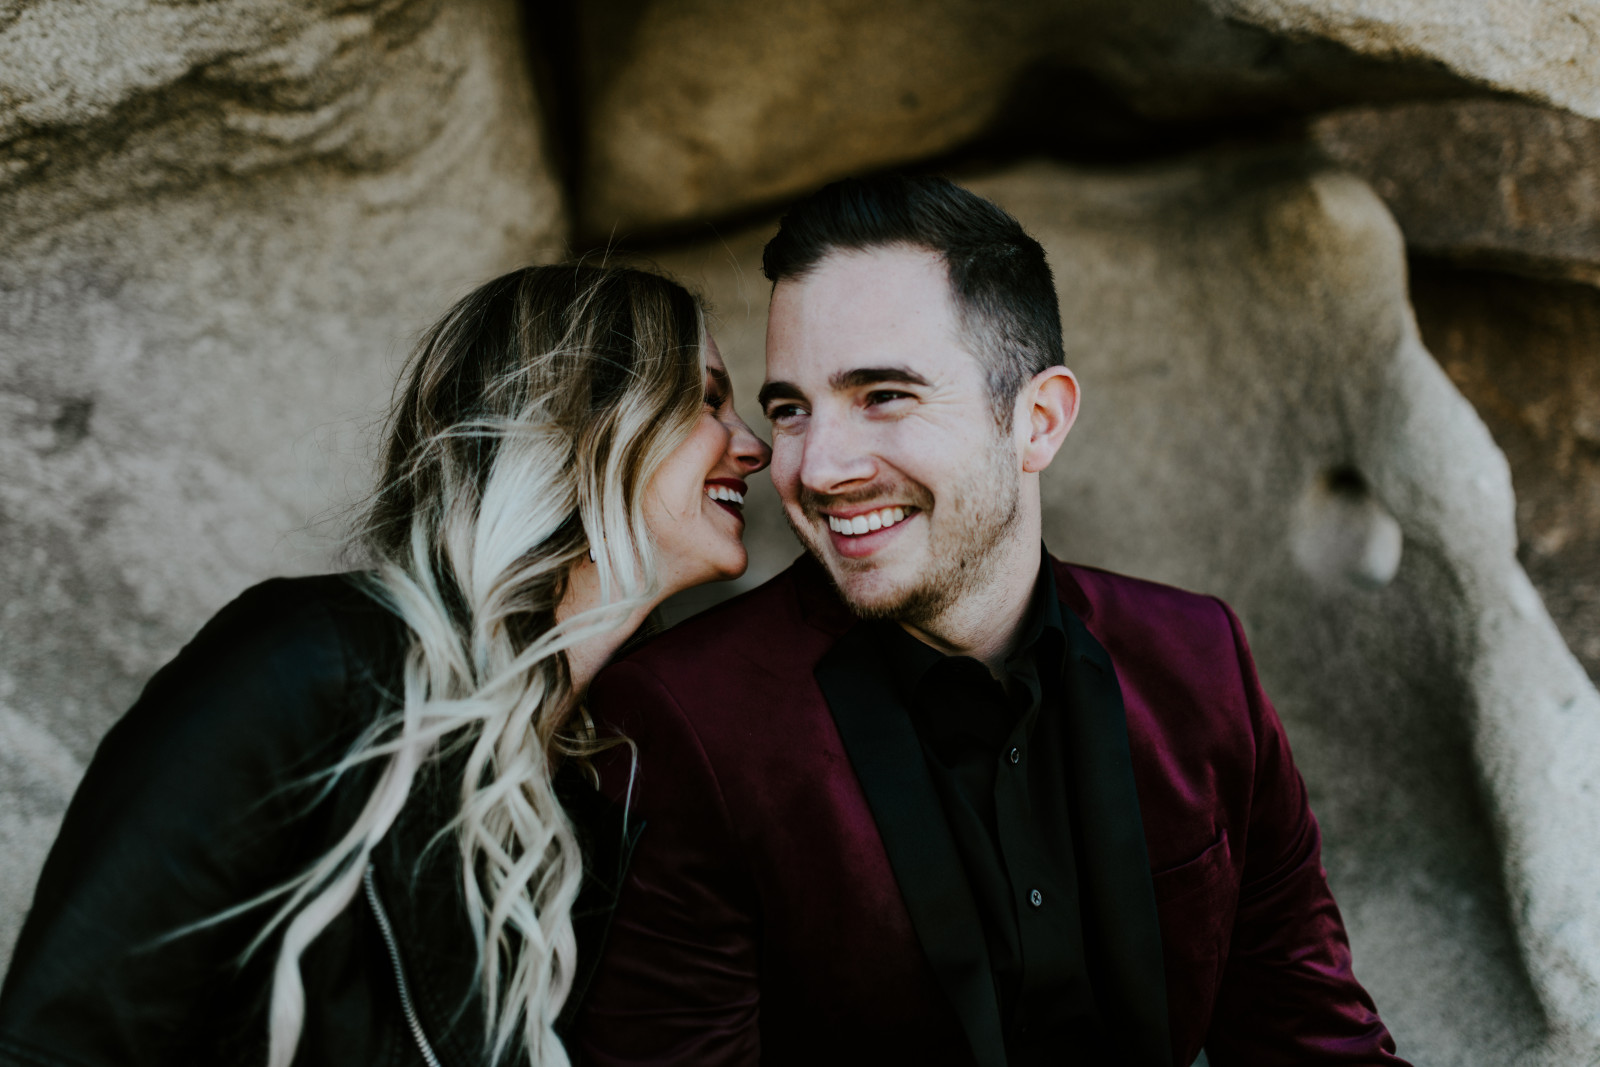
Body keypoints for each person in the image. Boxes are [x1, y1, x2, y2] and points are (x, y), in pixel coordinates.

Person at [571, 176, 1409, 1067]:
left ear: (1037, 421)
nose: (816, 467)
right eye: (791, 410)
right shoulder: (683, 721)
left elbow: (1315, 1035)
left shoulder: (1201, 660)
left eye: (884, 394)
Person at [0, 263, 770, 1067]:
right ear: (579, 422)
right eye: (708, 399)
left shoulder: (601, 785)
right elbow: (56, 1042)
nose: (752, 445)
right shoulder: (312, 664)